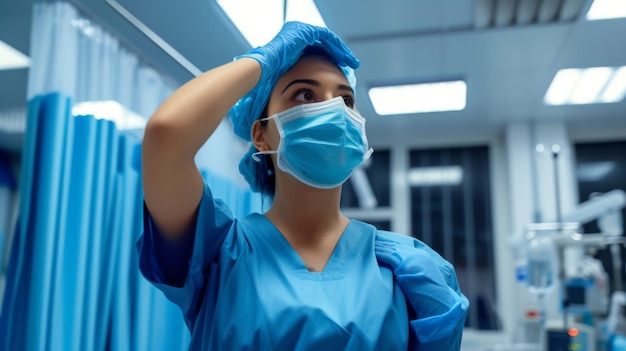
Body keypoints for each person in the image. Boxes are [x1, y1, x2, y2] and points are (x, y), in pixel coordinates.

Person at [137, 21, 469, 350]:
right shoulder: (216, 251)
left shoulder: (411, 268)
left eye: (346, 100)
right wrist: (264, 59)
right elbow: (166, 135)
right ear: (261, 135)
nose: (334, 110)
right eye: (305, 94)